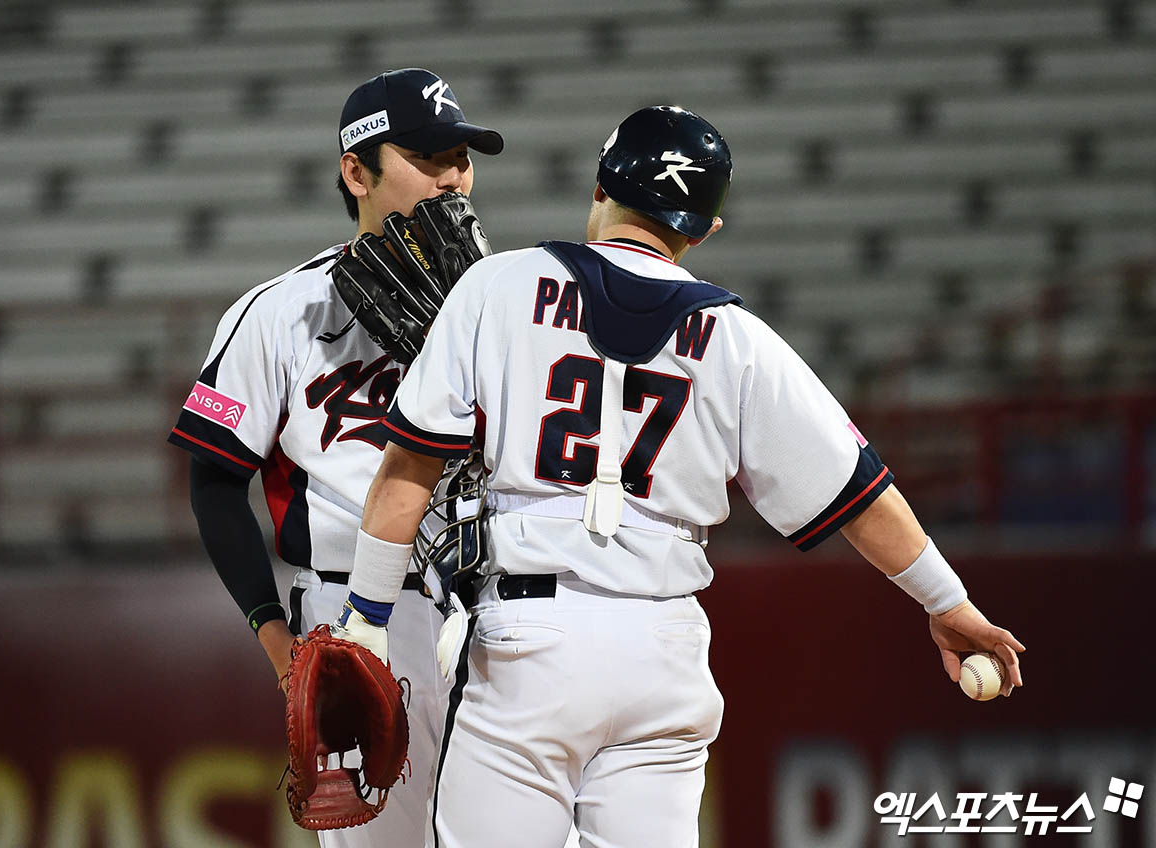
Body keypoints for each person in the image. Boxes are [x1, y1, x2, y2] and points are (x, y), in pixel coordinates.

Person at [330, 105, 1027, 848]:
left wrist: (364, 625)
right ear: (703, 229)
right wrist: (948, 603)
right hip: (662, 650)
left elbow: (405, 473)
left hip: (527, 645)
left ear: (600, 187)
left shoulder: (496, 288)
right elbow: (859, 493)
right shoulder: (739, 339)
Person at [167, 68, 502, 847]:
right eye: (428, 157)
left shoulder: (507, 304)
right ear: (356, 171)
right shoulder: (281, 312)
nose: (454, 176)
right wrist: (277, 641)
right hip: (359, 617)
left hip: (503, 605)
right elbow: (214, 481)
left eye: (462, 155)